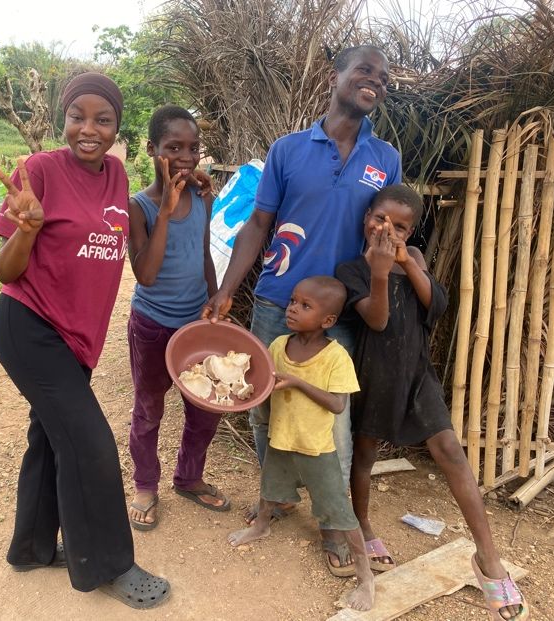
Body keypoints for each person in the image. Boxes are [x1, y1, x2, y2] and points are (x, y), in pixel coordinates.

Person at [0, 72, 170, 610]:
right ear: (62, 118)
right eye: (77, 117)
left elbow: (138, 242)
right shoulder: (39, 170)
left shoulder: (116, 174)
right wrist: (26, 230)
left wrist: (183, 187)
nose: (88, 130)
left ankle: (31, 547)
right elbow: (5, 272)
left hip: (77, 337)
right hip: (30, 328)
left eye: (103, 119)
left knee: (50, 438)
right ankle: (109, 563)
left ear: (117, 128)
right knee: (88, 444)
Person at [201, 45, 402, 511]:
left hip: (343, 311)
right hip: (279, 302)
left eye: (384, 78)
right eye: (365, 70)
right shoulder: (287, 149)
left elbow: (389, 229)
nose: (375, 81)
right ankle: (278, 499)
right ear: (337, 75)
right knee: (264, 404)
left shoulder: (385, 158)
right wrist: (227, 291)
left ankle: (335, 520)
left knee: (335, 420)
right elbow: (257, 225)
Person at [336, 185, 529, 621]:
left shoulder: (416, 260)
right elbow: (378, 320)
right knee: (364, 457)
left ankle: (488, 558)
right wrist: (381, 272)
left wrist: (405, 261)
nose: (386, 229)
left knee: (452, 455)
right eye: (380, 218)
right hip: (374, 378)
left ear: (412, 231)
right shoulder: (351, 270)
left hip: (418, 376)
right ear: (367, 214)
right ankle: (364, 527)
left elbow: (436, 304)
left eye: (400, 226)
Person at [227, 276, 373, 612]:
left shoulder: (336, 357)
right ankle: (261, 527)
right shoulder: (278, 345)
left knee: (338, 509)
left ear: (328, 321)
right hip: (281, 438)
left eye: (305, 305)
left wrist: (296, 382)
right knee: (270, 486)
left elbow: (337, 405)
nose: (293, 308)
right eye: (293, 301)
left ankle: (366, 579)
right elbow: (263, 386)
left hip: (316, 447)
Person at [126, 105, 229, 531]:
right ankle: (145, 485)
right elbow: (146, 275)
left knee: (205, 409)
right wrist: (166, 209)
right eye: (173, 147)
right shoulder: (140, 207)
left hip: (194, 326)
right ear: (152, 149)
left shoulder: (203, 198)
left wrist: (214, 303)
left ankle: (189, 478)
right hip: (152, 325)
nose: (185, 157)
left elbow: (205, 255)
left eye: (192, 148)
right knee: (149, 409)